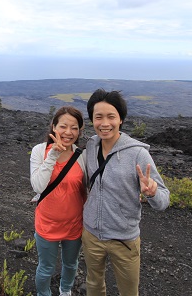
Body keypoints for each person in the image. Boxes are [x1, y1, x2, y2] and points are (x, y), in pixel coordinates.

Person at [82, 89, 170, 296]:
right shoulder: (91, 145)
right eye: (98, 117)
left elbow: (163, 200)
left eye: (111, 117)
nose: (105, 123)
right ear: (92, 120)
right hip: (92, 234)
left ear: (121, 119)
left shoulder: (138, 153)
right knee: (93, 284)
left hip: (124, 239)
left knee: (129, 291)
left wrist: (152, 193)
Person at [30, 106, 87, 296]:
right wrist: (53, 154)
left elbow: (87, 189)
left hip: (74, 224)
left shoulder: (81, 155)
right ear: (54, 127)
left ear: (79, 131)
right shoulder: (39, 151)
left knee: (71, 264)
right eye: (63, 126)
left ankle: (65, 291)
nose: (68, 133)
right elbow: (38, 186)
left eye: (74, 128)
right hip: (47, 224)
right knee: (45, 268)